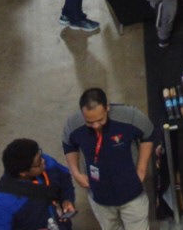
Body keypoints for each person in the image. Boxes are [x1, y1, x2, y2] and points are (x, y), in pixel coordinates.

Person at [62, 88, 157, 230]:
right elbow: (69, 145)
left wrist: (142, 169)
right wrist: (75, 172)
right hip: (99, 198)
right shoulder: (73, 123)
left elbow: (148, 134)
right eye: (89, 122)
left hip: (132, 195)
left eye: (100, 120)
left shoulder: (129, 116)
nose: (95, 126)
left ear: (107, 107)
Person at [0, 137, 75, 230]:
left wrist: (67, 200)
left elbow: (64, 179)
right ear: (23, 172)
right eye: (38, 162)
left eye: (40, 156)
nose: (43, 161)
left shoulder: (47, 163)